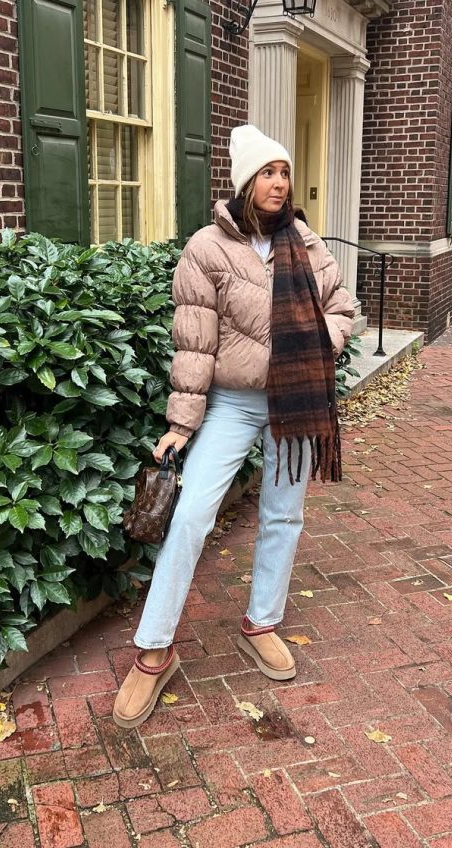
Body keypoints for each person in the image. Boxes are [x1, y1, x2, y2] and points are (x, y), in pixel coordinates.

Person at [112, 124, 355, 728]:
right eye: (268, 172)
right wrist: (181, 424)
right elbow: (194, 344)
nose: (280, 183)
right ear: (246, 182)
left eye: (285, 172)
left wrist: (318, 340)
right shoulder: (207, 248)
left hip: (296, 402)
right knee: (191, 514)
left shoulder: (306, 241)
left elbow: (342, 305)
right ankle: (155, 649)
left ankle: (261, 623)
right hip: (234, 402)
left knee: (283, 515)